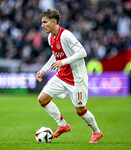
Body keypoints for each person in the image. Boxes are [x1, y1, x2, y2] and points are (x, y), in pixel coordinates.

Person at [36, 9, 103, 143]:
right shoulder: (51, 37)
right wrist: (44, 69)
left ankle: (96, 132)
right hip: (62, 75)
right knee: (42, 99)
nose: (42, 25)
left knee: (80, 110)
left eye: (45, 22)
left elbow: (82, 52)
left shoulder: (66, 35)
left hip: (77, 78)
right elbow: (56, 54)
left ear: (54, 22)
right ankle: (62, 125)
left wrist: (63, 62)